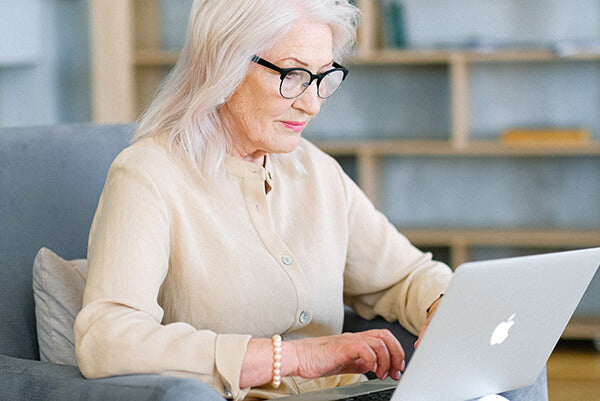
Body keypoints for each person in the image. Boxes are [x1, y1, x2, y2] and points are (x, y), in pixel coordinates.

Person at [74, 1, 545, 400]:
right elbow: (107, 339)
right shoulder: (150, 174)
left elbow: (404, 276)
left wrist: (444, 303)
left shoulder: (314, 170)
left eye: (324, 77)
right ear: (224, 65)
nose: (313, 103)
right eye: (295, 76)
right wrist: (297, 357)